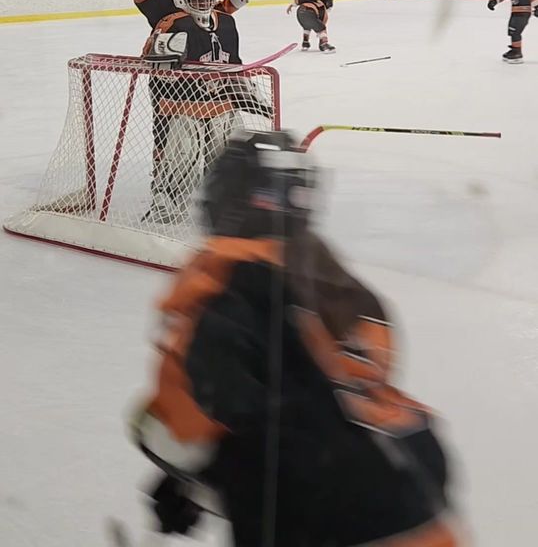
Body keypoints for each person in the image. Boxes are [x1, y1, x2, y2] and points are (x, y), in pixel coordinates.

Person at [130, 130, 459, 547]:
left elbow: (182, 418)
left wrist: (188, 479)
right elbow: (339, 380)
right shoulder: (331, 274)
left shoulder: (220, 282)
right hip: (413, 465)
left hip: (315, 507)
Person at [115, 0, 261, 221]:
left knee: (215, 140)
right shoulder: (164, 5)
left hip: (206, 92)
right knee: (168, 137)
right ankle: (162, 187)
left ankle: (210, 182)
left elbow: (221, 8)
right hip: (170, 87)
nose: (203, 3)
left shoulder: (206, 9)